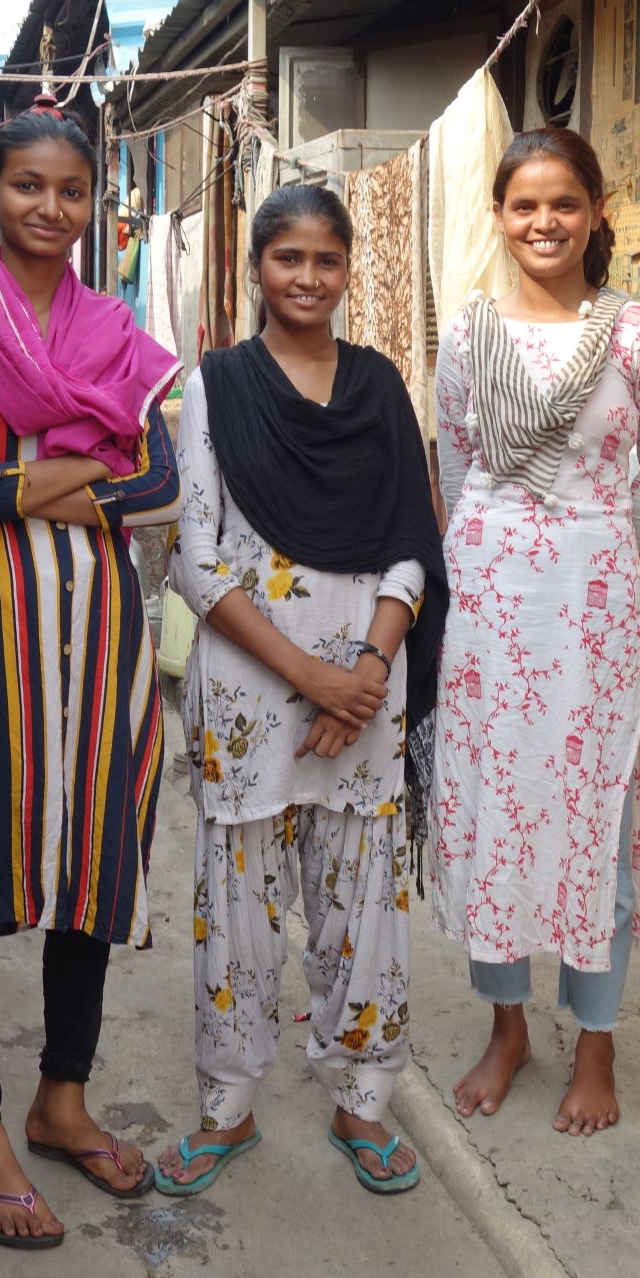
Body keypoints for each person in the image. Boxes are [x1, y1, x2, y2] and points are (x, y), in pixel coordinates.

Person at [0, 96, 182, 1250]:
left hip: (102, 644)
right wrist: (81, 466)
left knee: (90, 861)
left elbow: (159, 490)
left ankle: (62, 1100)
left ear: (93, 199)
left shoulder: (119, 330)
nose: (51, 209)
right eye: (28, 186)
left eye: (71, 189)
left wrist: (30, 473)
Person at [153, 185, 446, 1199]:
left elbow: (414, 538)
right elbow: (195, 558)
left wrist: (365, 670)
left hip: (366, 685)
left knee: (365, 900)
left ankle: (360, 1105)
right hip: (250, 688)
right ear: (259, 266)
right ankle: (226, 1111)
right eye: (289, 259)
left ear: (346, 268)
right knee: (235, 903)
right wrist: (309, 673)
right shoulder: (216, 388)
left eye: (327, 259)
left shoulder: (378, 386)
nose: (309, 278)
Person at [431, 127, 640, 1137]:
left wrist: (592, 546)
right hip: (488, 602)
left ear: (597, 212)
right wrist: (496, 553)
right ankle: (507, 1029)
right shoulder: (467, 334)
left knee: (594, 819)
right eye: (524, 205)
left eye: (564, 203)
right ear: (499, 216)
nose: (544, 222)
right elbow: (451, 466)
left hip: (593, 602)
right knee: (497, 809)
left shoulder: (638, 335)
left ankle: (597, 1045)